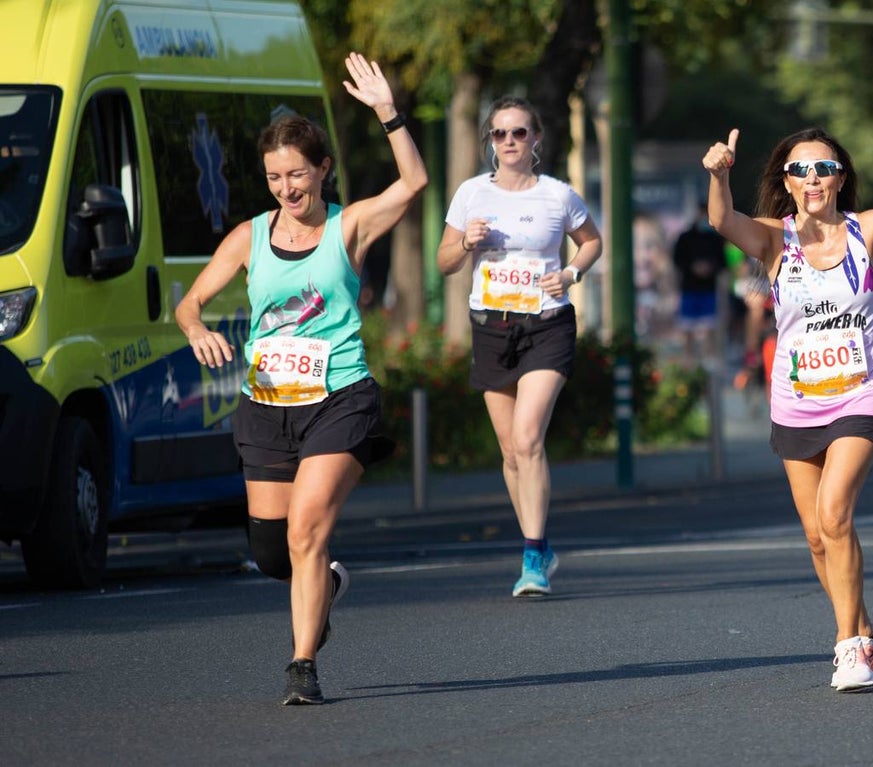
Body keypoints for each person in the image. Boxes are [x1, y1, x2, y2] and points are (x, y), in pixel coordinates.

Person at [175, 52, 427, 705]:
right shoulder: (250, 235)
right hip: (266, 407)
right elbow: (189, 302)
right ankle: (324, 591)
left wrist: (387, 112)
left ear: (323, 170)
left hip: (338, 398)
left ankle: (302, 664)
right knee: (271, 552)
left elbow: (414, 182)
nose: (287, 188)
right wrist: (196, 328)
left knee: (308, 526)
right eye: (274, 177)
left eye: (297, 174)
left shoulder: (350, 224)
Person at [702, 115, 873, 691]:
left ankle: (847, 648)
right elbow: (721, 219)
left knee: (835, 512)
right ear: (788, 183)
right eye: (800, 170)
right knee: (817, 536)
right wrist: (719, 176)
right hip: (796, 400)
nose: (813, 177)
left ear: (840, 178)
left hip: (863, 392)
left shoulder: (868, 231)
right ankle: (865, 627)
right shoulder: (775, 238)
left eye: (824, 167)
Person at [436, 96, 602, 598]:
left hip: (547, 326)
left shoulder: (558, 196)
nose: (509, 142)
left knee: (529, 437)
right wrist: (465, 243)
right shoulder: (470, 195)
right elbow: (443, 261)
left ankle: (533, 555)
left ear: (536, 140)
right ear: (490, 141)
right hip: (491, 327)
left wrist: (571, 273)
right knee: (510, 452)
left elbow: (591, 241)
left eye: (519, 133)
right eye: (500, 134)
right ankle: (541, 545)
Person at [673, 202, 729, 361]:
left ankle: (708, 357)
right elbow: (677, 260)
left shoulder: (714, 239)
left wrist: (709, 268)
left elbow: (722, 263)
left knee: (709, 326)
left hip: (708, 289)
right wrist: (693, 268)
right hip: (689, 288)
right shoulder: (685, 238)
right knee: (687, 327)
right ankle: (688, 357)